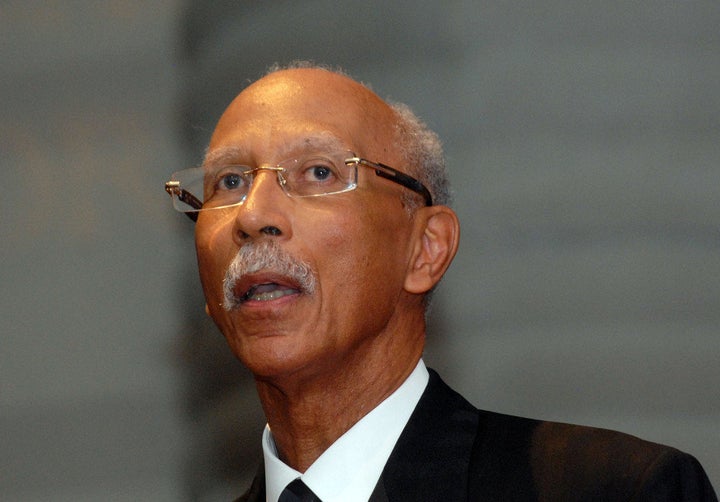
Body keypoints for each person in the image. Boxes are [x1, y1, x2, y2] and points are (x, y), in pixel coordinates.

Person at [165, 63, 717, 501]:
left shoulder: (617, 490)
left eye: (318, 172)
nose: (252, 214)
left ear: (425, 250)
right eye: (228, 181)